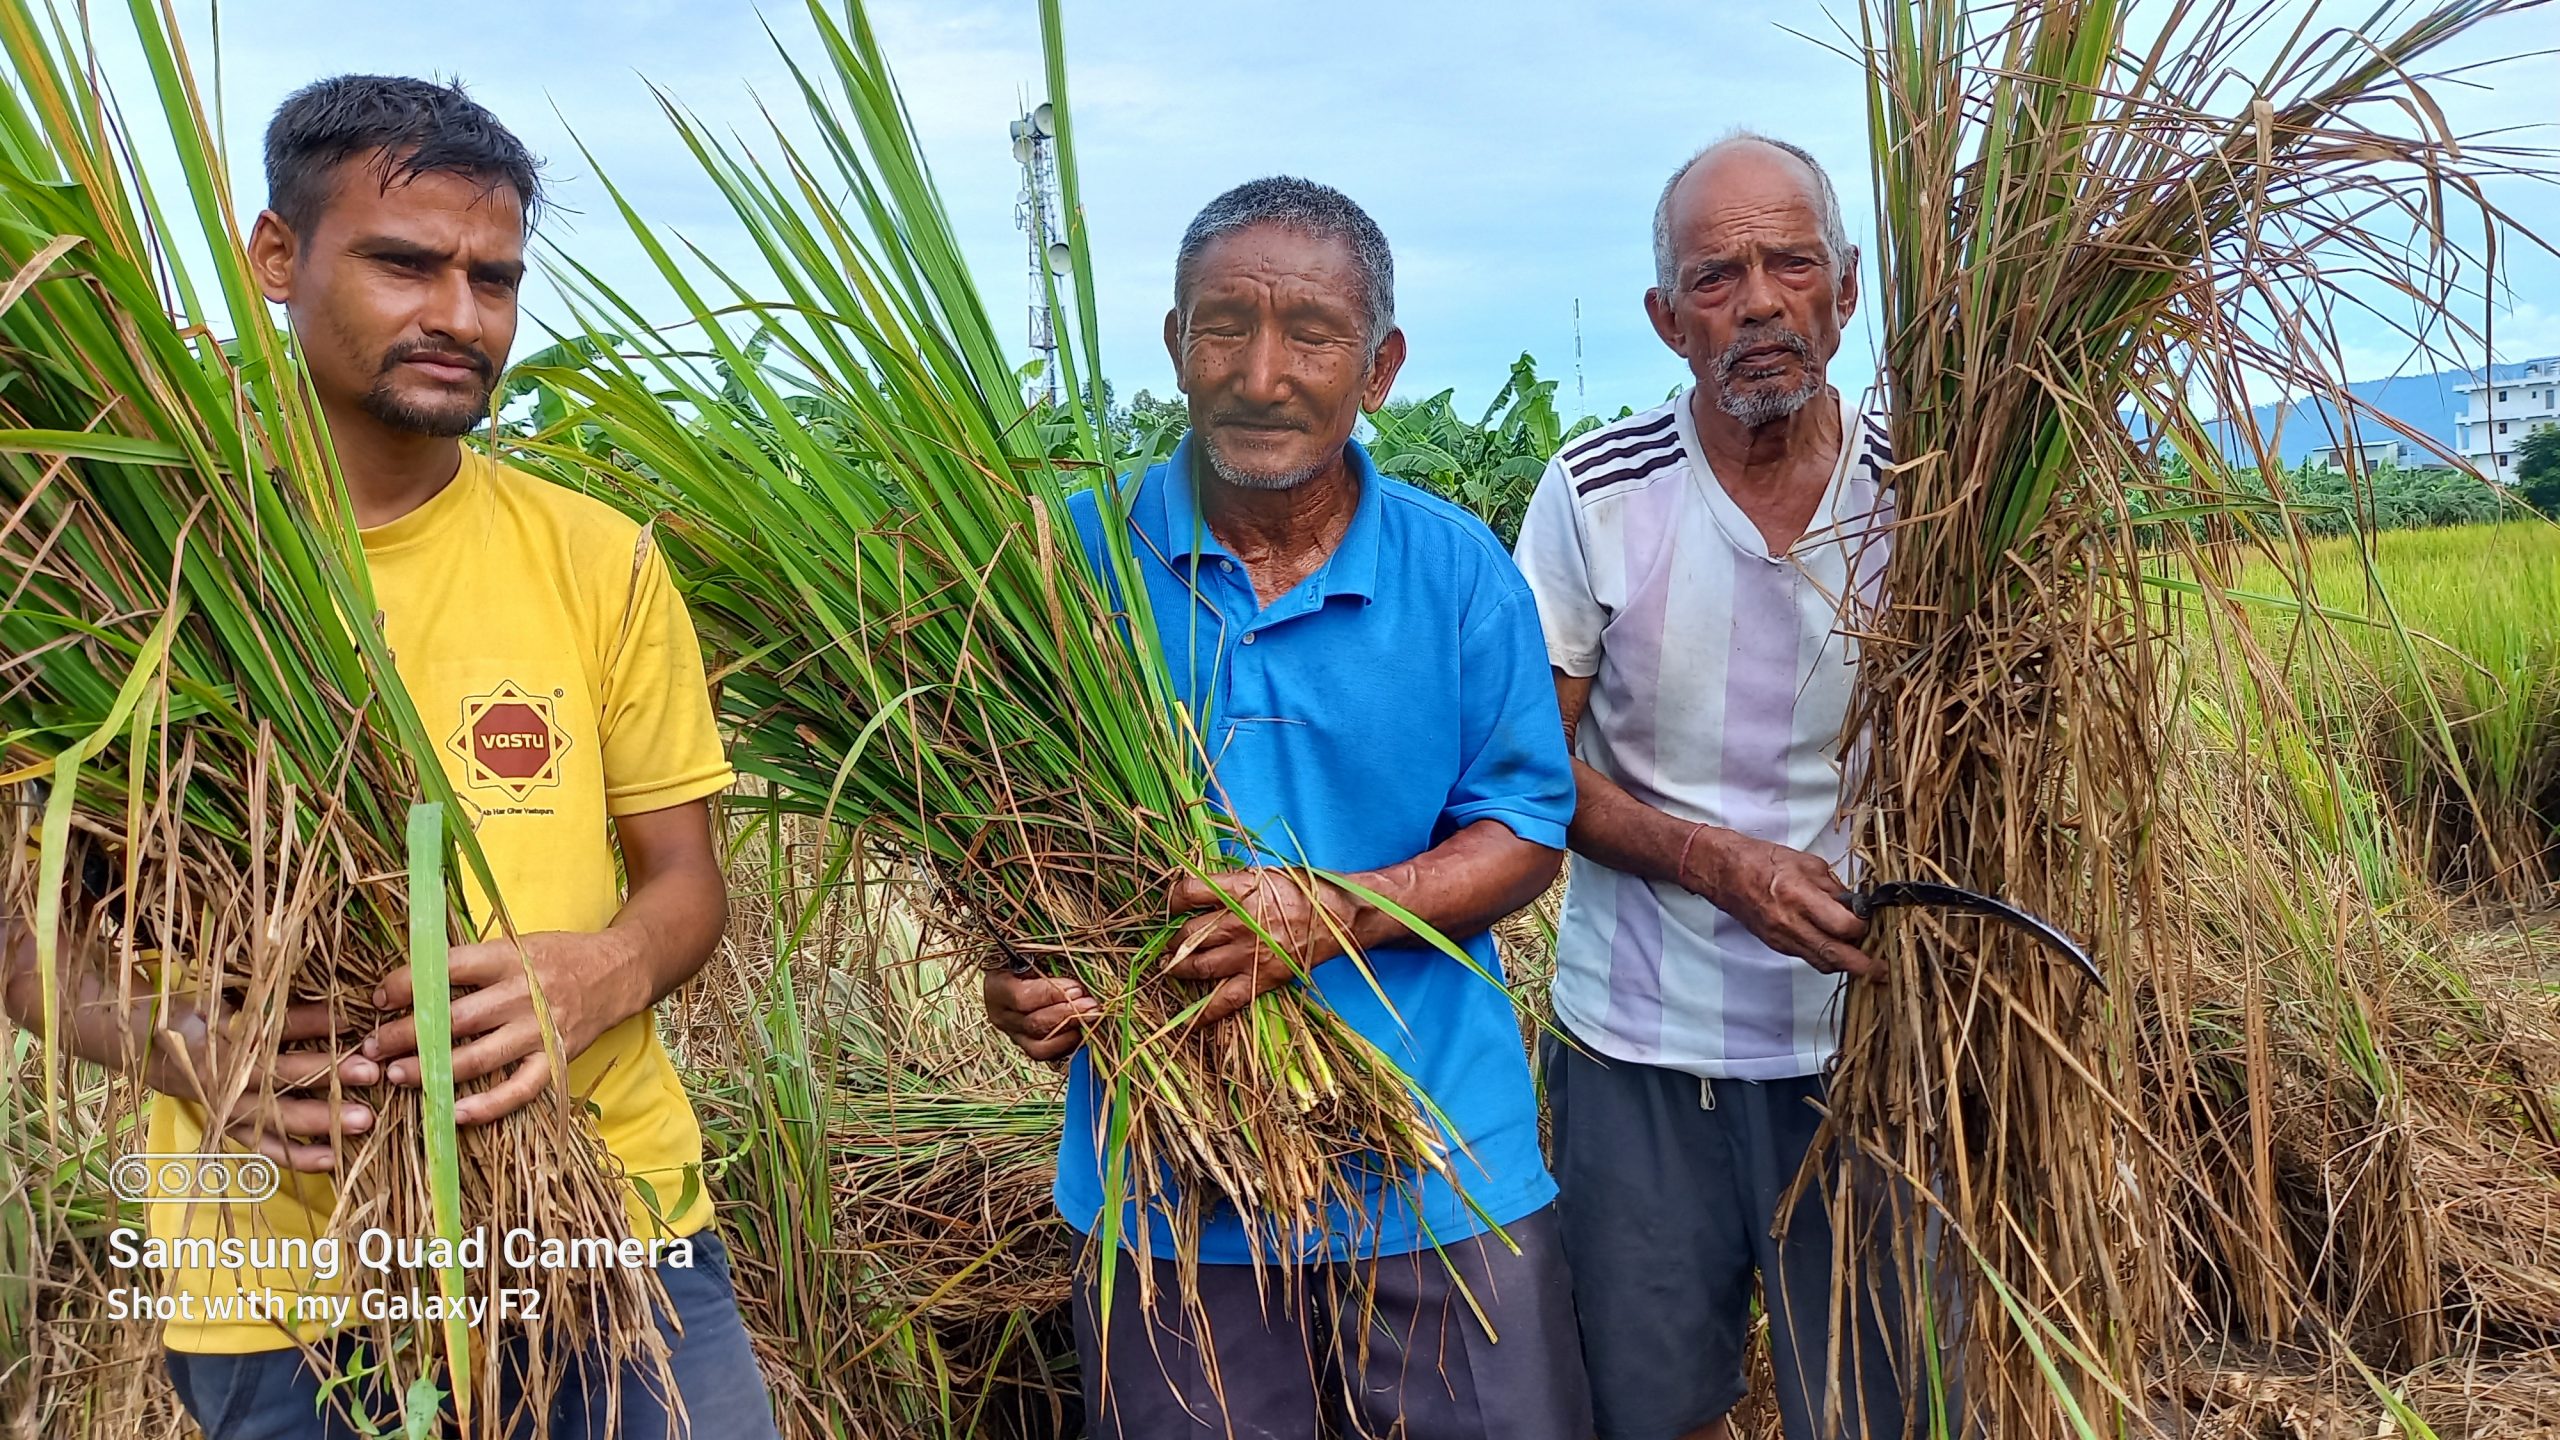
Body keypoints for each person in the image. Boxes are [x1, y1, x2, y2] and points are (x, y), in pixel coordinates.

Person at [0, 75, 778, 1439]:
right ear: (278, 259)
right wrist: (183, 1047)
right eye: (407, 264)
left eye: (495, 277)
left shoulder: (599, 558)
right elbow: (19, 935)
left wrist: (602, 968)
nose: (462, 317)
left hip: (613, 1237)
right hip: (287, 1287)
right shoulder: (117, 568)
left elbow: (683, 886)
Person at [979, 176, 1591, 1440]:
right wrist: (1019, 977)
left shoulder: (1456, 571)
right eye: (1223, 327)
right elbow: (1008, 837)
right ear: (1173, 347)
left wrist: (1338, 911)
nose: (1262, 374)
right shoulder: (1065, 571)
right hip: (1164, 1177)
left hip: (1435, 1162)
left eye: (1311, 335)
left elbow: (1525, 827)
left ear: (1379, 366)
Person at [1511, 134, 1907, 1440]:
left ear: (1846, 290)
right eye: (1716, 274)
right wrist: (1714, 863)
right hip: (1642, 1054)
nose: (1758, 301)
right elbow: (1525, 774)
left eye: (1791, 263)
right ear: (1668, 318)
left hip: (1875, 1051)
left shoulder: (1933, 488)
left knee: (1881, 1402)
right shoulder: (1595, 496)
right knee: (1642, 1404)